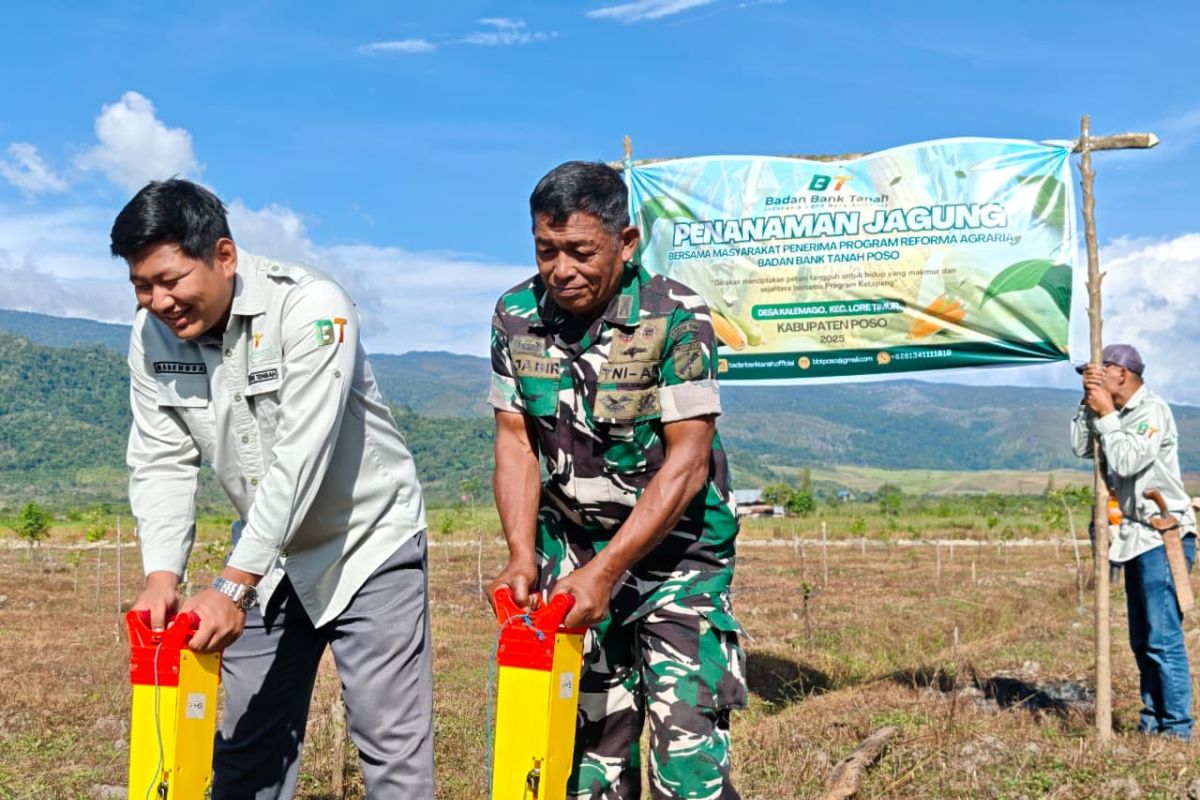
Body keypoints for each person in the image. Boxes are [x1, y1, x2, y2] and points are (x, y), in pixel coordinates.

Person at [112, 179, 434, 798]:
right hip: (269, 557)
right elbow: (160, 460)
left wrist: (233, 584)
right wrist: (161, 577)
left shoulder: (313, 307)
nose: (158, 301)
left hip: (368, 546)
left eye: (170, 279)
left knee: (391, 753)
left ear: (224, 256)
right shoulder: (150, 338)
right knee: (244, 753)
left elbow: (301, 459)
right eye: (141, 285)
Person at [486, 161, 746, 799]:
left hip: (676, 555)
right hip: (573, 553)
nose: (562, 270)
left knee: (686, 755)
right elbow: (517, 441)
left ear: (626, 243)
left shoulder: (676, 315)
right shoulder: (515, 316)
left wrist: (609, 572)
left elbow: (688, 461)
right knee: (593, 756)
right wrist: (522, 554)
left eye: (580, 251)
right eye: (547, 251)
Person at [1072, 343, 1196, 740]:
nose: (1094, 378)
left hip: (1161, 534)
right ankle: (1151, 721)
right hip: (1132, 537)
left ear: (1121, 374)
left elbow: (1126, 461)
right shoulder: (1115, 412)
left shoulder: (1150, 411)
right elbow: (1079, 447)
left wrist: (1106, 414)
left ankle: (1177, 730)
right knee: (1142, 640)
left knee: (1162, 637)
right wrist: (1086, 404)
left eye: (1100, 371)